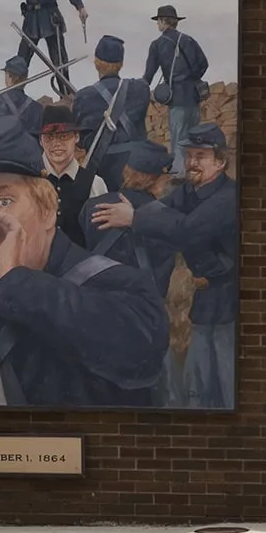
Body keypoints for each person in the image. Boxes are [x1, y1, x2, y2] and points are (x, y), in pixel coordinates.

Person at [0, 116, 168, 407]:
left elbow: (141, 350)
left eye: (3, 201)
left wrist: (17, 286)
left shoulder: (122, 288)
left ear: (48, 209)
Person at [127, 122, 238, 409]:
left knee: (227, 376)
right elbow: (161, 210)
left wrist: (134, 218)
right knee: (198, 380)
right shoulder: (188, 190)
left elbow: (188, 228)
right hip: (204, 300)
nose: (191, 163)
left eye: (200, 157)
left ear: (221, 161)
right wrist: (140, 210)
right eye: (189, 156)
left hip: (228, 298)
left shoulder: (229, 197)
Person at [84, 140, 181, 406]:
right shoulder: (164, 218)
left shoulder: (90, 207)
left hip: (95, 316)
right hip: (142, 322)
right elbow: (161, 280)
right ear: (156, 179)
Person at [73, 35, 151, 193]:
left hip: (101, 170)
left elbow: (80, 141)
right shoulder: (140, 89)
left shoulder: (84, 96)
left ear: (96, 62)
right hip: (136, 167)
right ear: (121, 64)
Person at [141, 5, 210, 176]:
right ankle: (195, 172)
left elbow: (148, 75)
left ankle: (179, 175)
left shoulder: (157, 45)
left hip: (176, 98)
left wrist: (141, 89)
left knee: (179, 138)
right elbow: (204, 64)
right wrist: (191, 77)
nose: (158, 24)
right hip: (193, 96)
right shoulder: (189, 40)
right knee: (193, 137)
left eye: (158, 21)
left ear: (163, 22)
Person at [38, 103, 107, 248]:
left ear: (76, 137)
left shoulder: (94, 183)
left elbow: (102, 238)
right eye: (49, 138)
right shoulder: (29, 181)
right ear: (40, 141)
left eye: (63, 136)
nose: (56, 143)